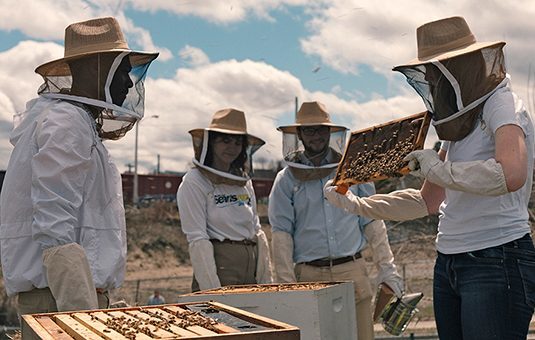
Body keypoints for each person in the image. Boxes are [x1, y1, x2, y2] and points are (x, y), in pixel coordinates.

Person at [324, 16, 535, 340]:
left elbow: (511, 173)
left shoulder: (503, 105)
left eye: (440, 70)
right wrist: (357, 205)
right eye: (431, 72)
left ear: (464, 66)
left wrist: (438, 169)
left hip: (497, 257)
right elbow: (427, 200)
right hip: (450, 260)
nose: (434, 80)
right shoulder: (458, 126)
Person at [0, 17, 158, 315]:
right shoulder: (67, 122)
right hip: (59, 300)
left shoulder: (72, 120)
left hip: (63, 296)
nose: (128, 82)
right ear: (92, 68)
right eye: (121, 71)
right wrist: (81, 313)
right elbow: (54, 225)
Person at [268, 101, 404, 340]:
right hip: (308, 275)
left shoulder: (353, 171)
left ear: (330, 132)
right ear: (299, 134)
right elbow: (281, 235)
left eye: (320, 129)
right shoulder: (286, 179)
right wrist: (287, 286)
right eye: (309, 130)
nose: (316, 136)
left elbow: (372, 221)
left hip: (352, 270)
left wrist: (387, 268)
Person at [177, 108, 273, 292]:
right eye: (225, 140)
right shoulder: (194, 181)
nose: (232, 147)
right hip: (221, 268)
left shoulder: (244, 181)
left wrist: (265, 279)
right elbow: (197, 238)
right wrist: (212, 291)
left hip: (250, 265)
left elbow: (256, 229)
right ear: (211, 143)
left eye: (238, 142)